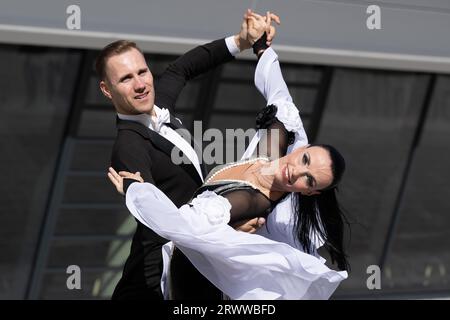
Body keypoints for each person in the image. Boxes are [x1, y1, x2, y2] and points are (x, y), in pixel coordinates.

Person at [108, 14, 349, 300]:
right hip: (151, 266)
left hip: (183, 276)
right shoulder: (277, 140)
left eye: (308, 180)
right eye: (305, 161)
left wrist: (138, 193)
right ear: (303, 150)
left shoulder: (250, 201)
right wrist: (254, 44)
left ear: (311, 192)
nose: (296, 172)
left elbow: (188, 225)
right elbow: (277, 93)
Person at [97, 10, 279, 300]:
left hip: (194, 263)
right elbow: (164, 218)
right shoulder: (128, 146)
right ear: (107, 90)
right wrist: (136, 192)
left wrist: (242, 40)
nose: (141, 84)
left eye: (142, 72)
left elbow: (181, 69)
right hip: (159, 278)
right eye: (126, 79)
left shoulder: (158, 108)